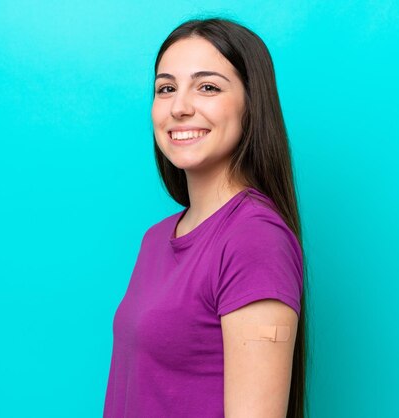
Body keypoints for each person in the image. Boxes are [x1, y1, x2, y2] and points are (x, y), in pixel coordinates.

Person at [103, 17, 308, 418]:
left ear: (252, 104)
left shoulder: (254, 239)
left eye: (208, 87)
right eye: (166, 89)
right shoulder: (156, 238)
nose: (179, 107)